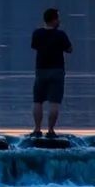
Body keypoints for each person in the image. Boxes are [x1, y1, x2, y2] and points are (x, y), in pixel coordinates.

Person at [30, 7, 72, 139]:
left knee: (38, 101)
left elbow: (34, 46)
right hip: (57, 71)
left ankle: (37, 130)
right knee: (54, 102)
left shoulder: (37, 33)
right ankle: (51, 131)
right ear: (53, 20)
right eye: (58, 18)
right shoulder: (61, 35)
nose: (59, 20)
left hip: (41, 70)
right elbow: (70, 49)